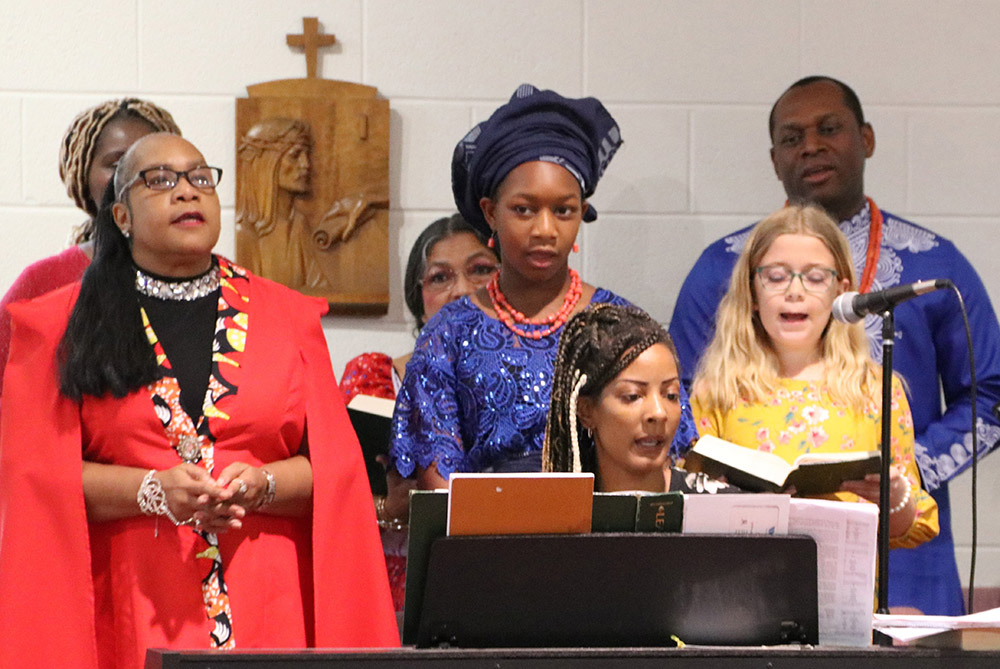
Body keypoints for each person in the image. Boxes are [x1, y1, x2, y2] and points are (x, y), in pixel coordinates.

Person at [0, 133, 398, 669]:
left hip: (270, 606)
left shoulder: (288, 317)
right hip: (130, 607)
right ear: (121, 216)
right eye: (160, 180)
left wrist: (265, 484)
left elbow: (337, 476)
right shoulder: (57, 324)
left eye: (200, 178)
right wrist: (149, 490)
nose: (187, 192)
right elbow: (33, 483)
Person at [669, 75, 1000, 615]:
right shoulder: (721, 267)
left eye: (829, 129)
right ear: (774, 157)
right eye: (793, 136)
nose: (812, 146)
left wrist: (905, 473)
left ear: (866, 139)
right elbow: (676, 396)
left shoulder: (933, 265)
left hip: (890, 550)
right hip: (745, 573)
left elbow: (993, 392)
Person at [391, 84, 698, 488]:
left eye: (564, 210)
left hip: (604, 538)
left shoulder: (623, 329)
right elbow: (441, 485)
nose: (545, 230)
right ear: (490, 213)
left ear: (582, 214)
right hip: (485, 539)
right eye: (524, 210)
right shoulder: (448, 333)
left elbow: (665, 458)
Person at [689, 205, 939, 549]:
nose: (795, 290)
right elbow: (688, 509)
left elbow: (906, 527)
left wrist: (894, 494)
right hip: (746, 584)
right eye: (776, 276)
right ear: (753, 292)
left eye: (815, 277)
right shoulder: (717, 390)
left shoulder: (875, 390)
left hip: (847, 588)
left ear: (841, 292)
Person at [339, 212, 498, 612]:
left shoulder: (531, 379)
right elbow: (332, 502)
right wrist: (390, 508)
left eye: (480, 270)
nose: (461, 290)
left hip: (499, 584)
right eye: (440, 277)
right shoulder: (372, 377)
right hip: (385, 597)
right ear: (419, 296)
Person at [0, 98, 181, 392]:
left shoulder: (214, 276)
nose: (134, 176)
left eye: (152, 163)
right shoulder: (44, 282)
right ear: (83, 175)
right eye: (116, 163)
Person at [235, 117, 330, 292]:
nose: (306, 165)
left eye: (306, 155)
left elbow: (320, 290)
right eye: (295, 155)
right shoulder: (246, 234)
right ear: (269, 164)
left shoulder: (299, 226)